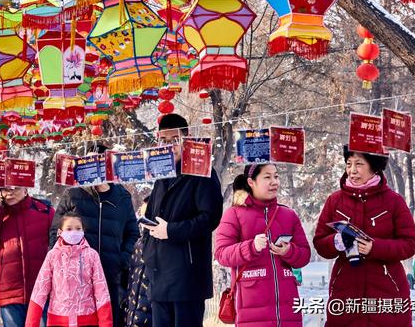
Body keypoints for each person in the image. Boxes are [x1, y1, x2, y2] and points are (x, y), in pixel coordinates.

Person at [313, 145, 415, 326]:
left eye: (359, 164)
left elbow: (410, 243)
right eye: (348, 164)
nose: (352, 170)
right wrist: (336, 242)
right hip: (345, 291)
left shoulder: (393, 201)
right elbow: (320, 243)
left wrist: (375, 247)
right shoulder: (335, 201)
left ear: (373, 166)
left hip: (387, 292)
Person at [141, 113, 223, 327]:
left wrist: (172, 231)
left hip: (187, 276)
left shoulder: (202, 171)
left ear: (186, 139)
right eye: (164, 141)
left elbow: (210, 218)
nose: (170, 146)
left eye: (174, 140)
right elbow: (151, 216)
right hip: (159, 276)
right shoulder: (161, 174)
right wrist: (147, 252)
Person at [50, 143, 139, 327]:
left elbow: (133, 234)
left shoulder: (123, 197)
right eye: (88, 162)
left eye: (98, 162)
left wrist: (121, 261)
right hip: (76, 280)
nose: (92, 167)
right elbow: (55, 232)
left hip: (109, 278)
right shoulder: (73, 194)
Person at [215, 163, 311, 326]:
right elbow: (222, 254)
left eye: (276, 176)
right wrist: (251, 247)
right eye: (267, 177)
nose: (274, 182)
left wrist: (288, 251)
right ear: (251, 182)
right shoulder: (234, 214)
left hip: (288, 311)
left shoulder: (288, 215)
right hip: (251, 311)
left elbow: (304, 255)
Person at [0, 186, 55, 327]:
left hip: (42, 293)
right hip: (10, 293)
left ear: (26, 190)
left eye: (15, 189)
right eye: (5, 189)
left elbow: (59, 245)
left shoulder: (45, 212)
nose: (10, 193)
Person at [26, 212, 113, 327]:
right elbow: (40, 290)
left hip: (87, 321)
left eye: (78, 228)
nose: (74, 232)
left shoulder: (92, 255)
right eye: (69, 229)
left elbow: (101, 291)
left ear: (83, 231)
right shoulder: (53, 256)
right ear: (60, 232)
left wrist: (106, 323)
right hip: (58, 321)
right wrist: (32, 323)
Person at [123, 196, 152, 327]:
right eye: (142, 215)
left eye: (148, 215)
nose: (143, 220)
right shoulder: (138, 244)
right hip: (131, 313)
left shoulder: (164, 245)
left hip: (151, 315)